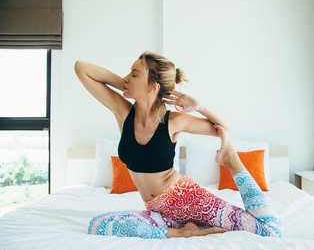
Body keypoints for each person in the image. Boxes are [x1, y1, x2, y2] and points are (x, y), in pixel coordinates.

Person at [75, 52, 282, 239]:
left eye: (134, 74)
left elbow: (223, 127)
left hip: (189, 199)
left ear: (152, 86)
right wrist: (127, 84)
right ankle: (180, 232)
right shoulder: (124, 113)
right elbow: (81, 68)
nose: (127, 77)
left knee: (271, 232)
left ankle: (231, 160)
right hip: (158, 211)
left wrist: (199, 106)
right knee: (98, 225)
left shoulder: (173, 121)